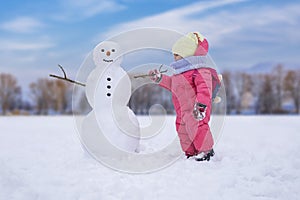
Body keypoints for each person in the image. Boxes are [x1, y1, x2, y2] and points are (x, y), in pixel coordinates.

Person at [148, 32, 221, 161]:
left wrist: (201, 105)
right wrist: (160, 78)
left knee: (197, 128)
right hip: (182, 110)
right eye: (174, 55)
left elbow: (205, 89)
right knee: (182, 129)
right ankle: (191, 152)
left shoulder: (199, 70)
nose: (174, 57)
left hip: (196, 109)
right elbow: (172, 84)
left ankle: (206, 151)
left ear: (187, 55)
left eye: (177, 54)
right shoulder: (178, 74)